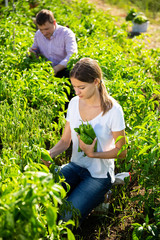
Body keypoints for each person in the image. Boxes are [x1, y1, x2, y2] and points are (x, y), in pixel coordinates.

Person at [42, 57, 127, 226]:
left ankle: (105, 192)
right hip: (75, 167)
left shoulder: (113, 110)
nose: (76, 92)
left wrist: (92, 153)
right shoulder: (74, 103)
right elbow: (65, 141)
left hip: (99, 175)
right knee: (41, 200)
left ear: (96, 82)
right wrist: (47, 155)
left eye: (81, 87)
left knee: (65, 220)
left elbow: (122, 151)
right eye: (74, 87)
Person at [29, 9, 78, 78]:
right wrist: (32, 52)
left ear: (54, 23)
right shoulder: (38, 34)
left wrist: (56, 69)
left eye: (46, 29)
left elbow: (72, 55)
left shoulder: (66, 34)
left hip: (64, 69)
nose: (44, 33)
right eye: (41, 29)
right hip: (46, 69)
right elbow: (35, 48)